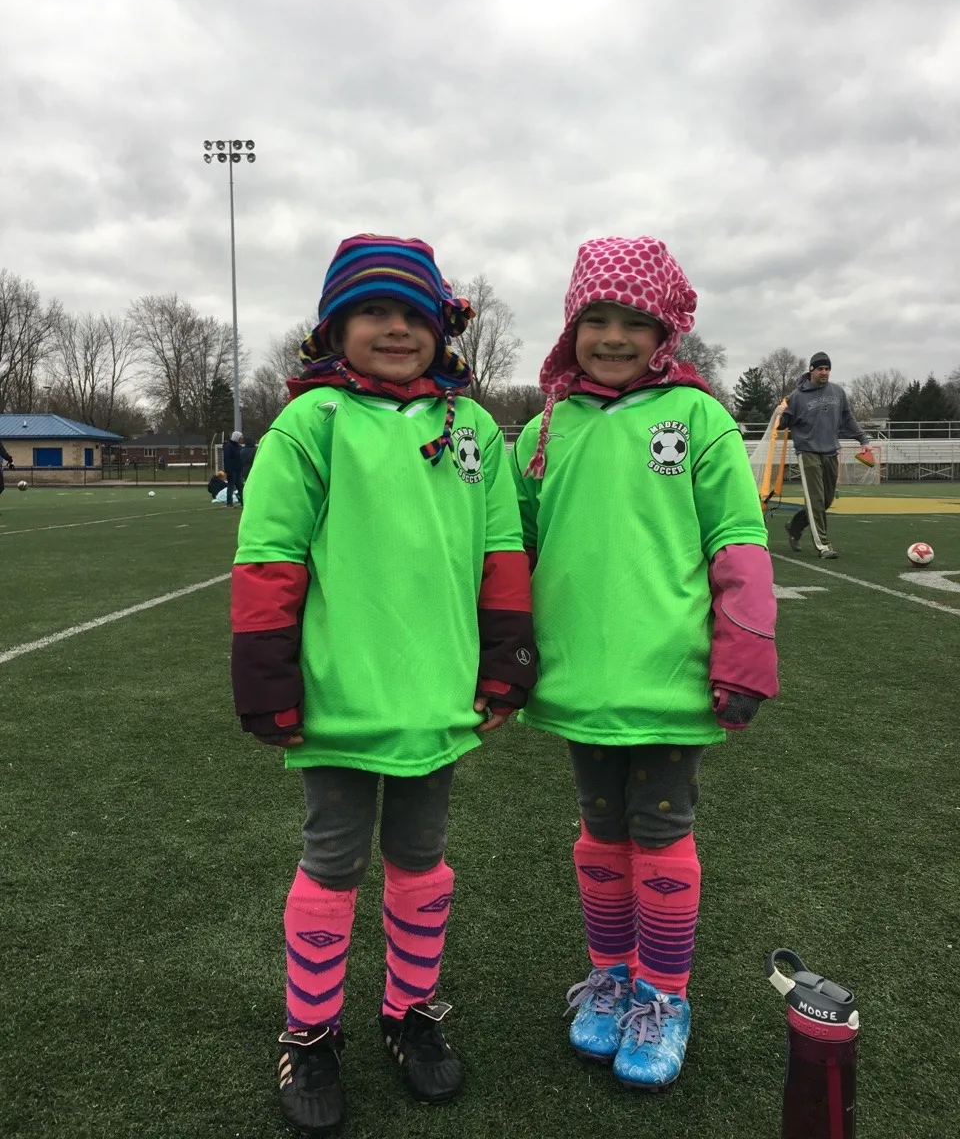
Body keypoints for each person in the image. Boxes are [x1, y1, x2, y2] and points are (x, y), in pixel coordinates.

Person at [231, 234, 536, 1137]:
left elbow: (502, 551)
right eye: (374, 312)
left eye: (414, 314)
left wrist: (506, 657)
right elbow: (270, 556)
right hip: (337, 700)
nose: (396, 329)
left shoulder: (473, 427)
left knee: (421, 860)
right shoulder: (311, 424)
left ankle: (410, 1011)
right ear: (335, 328)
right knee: (333, 859)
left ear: (443, 328)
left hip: (436, 700)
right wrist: (267, 677)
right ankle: (310, 1030)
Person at [511, 236, 778, 1090]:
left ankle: (665, 996)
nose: (615, 337)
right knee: (599, 835)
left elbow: (738, 540)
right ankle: (614, 976)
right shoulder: (547, 426)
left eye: (635, 321)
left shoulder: (697, 418)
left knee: (659, 833)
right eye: (597, 319)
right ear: (572, 326)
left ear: (665, 331)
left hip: (668, 680)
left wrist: (745, 654)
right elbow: (511, 547)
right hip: (579, 681)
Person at [780, 352, 873, 559]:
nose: (824, 372)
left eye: (827, 369)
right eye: (820, 368)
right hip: (807, 451)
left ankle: (795, 527)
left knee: (826, 501)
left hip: (831, 450)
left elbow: (848, 418)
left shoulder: (838, 392)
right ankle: (823, 545)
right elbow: (782, 423)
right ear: (811, 369)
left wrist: (863, 440)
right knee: (815, 501)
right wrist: (780, 414)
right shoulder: (796, 397)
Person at [222, 431, 244, 506]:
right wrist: (228, 470)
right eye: (240, 438)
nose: (242, 440)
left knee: (240, 487)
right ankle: (229, 503)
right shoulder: (228, 447)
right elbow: (227, 460)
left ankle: (243, 502)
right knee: (230, 487)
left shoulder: (239, 447)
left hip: (238, 470)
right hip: (231, 470)